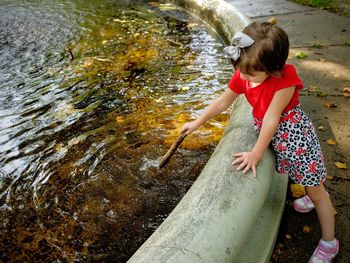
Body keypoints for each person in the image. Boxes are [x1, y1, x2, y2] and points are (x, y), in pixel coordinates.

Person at [180, 21, 338, 263]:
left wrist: (255, 153)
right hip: (277, 137)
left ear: (273, 68)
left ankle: (329, 242)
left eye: (249, 73)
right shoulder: (246, 72)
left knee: (317, 190)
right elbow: (223, 101)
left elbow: (272, 119)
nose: (243, 76)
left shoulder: (284, 80)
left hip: (295, 138)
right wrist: (197, 122)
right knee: (303, 178)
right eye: (241, 70)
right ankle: (308, 192)